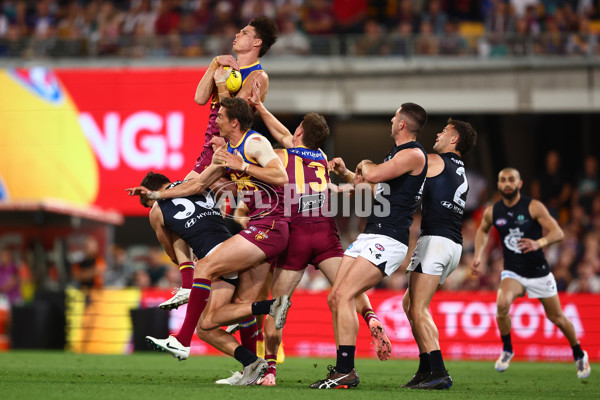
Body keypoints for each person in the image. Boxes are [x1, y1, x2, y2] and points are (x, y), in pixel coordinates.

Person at [221, 81, 392, 386]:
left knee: (279, 305)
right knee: (347, 290)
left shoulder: (282, 157)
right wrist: (261, 107)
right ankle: (371, 317)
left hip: (296, 234)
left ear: (299, 133)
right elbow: (289, 136)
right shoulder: (323, 160)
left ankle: (270, 370)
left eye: (295, 129)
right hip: (326, 233)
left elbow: (281, 142)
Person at [126, 97, 291, 385]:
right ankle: (253, 364)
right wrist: (155, 197)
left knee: (204, 267)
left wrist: (243, 165)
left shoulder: (254, 144)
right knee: (211, 322)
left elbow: (281, 176)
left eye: (222, 117)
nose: (216, 121)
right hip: (258, 227)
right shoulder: (224, 153)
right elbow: (197, 184)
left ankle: (181, 340)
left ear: (234, 122)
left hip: (272, 225)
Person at [156, 15, 278, 311]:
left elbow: (239, 116)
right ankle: (196, 278)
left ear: (257, 42)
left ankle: (203, 280)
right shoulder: (224, 66)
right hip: (207, 148)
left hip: (228, 153)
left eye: (245, 32)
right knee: (169, 214)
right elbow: (199, 98)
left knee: (167, 209)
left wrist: (223, 86)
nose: (237, 34)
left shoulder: (258, 77)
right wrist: (214, 66)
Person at [311, 102, 428, 389]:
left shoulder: (413, 154)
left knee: (342, 296)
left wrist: (362, 164)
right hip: (371, 235)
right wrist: (347, 175)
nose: (391, 119)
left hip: (388, 239)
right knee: (335, 298)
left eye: (394, 116)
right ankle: (346, 364)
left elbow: (373, 175)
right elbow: (375, 190)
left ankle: (345, 370)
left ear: (402, 124)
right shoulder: (397, 155)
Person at [135, 171, 287, 386]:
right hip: (235, 246)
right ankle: (253, 367)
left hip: (214, 257)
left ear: (151, 196)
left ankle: (267, 307)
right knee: (231, 312)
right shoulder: (196, 185)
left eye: (148, 203)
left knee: (206, 327)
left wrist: (184, 257)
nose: (150, 207)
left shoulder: (157, 209)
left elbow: (171, 253)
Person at [471, 167, 591, 380]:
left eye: (511, 180)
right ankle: (508, 349)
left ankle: (579, 354)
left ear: (519, 184)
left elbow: (558, 232)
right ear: (498, 185)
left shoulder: (533, 206)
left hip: (539, 273)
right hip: (513, 272)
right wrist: (479, 255)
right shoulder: (493, 211)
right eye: (503, 180)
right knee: (501, 304)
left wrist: (539, 243)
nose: (507, 183)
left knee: (557, 317)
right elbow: (483, 229)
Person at [401, 118, 478, 390]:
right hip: (452, 245)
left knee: (418, 308)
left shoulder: (435, 161)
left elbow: (403, 174)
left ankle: (438, 371)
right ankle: (426, 368)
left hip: (435, 240)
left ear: (454, 140)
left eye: (444, 131)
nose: (438, 133)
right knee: (409, 304)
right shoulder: (461, 171)